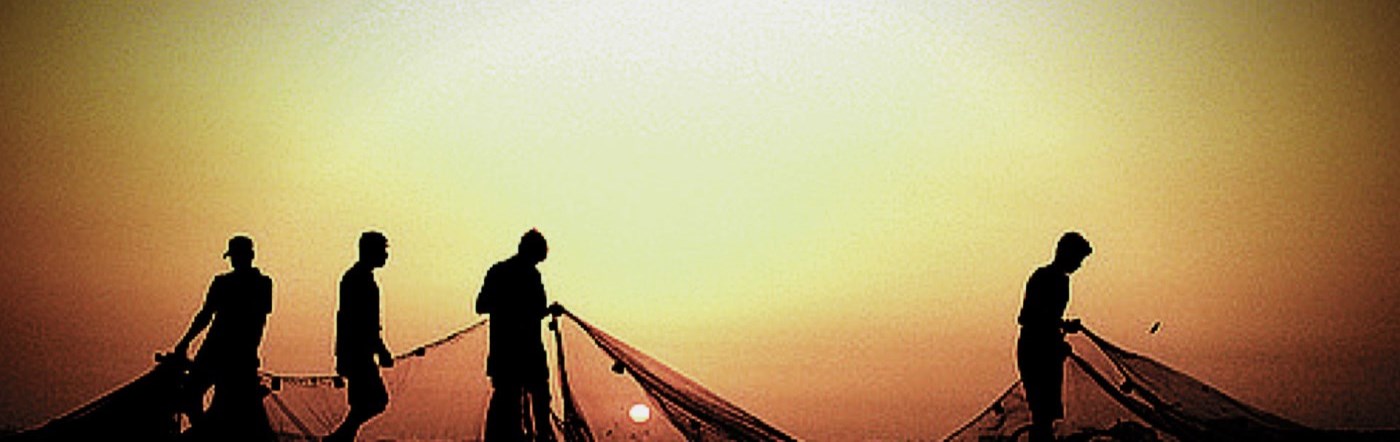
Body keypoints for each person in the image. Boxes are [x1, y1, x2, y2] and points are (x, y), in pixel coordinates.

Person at [171, 235, 275, 440]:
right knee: (204, 398)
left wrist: (184, 343)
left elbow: (207, 316)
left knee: (200, 397)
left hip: (222, 352)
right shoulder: (261, 284)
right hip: (233, 353)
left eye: (236, 256)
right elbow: (207, 316)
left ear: (248, 256)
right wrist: (185, 342)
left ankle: (206, 434)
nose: (235, 260)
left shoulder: (231, 283)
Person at [477, 229, 558, 441]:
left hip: (514, 351)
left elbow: (482, 305)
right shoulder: (521, 274)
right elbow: (482, 305)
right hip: (517, 352)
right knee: (518, 401)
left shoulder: (502, 271)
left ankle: (535, 436)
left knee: (524, 400)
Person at [1016, 232, 1092, 442]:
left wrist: (1063, 326)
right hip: (1035, 351)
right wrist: (1057, 332)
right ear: (1065, 254)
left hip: (1048, 350)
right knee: (1042, 413)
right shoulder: (1043, 277)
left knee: (1047, 414)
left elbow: (1047, 317)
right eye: (1078, 259)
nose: (1079, 265)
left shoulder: (1063, 281)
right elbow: (1029, 317)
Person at [327, 231, 396, 442]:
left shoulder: (358, 278)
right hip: (357, 352)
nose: (385, 255)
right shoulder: (357, 280)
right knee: (375, 401)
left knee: (364, 402)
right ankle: (339, 438)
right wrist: (381, 350)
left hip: (356, 351)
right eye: (383, 250)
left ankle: (343, 437)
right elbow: (360, 321)